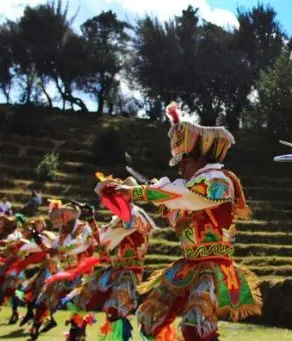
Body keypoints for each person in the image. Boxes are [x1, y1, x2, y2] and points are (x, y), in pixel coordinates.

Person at [110, 103, 262, 341]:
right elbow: (180, 212)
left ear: (201, 158)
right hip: (187, 265)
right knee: (149, 318)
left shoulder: (219, 180)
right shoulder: (187, 189)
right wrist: (160, 199)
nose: (181, 169)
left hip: (212, 267)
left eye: (185, 163)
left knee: (195, 325)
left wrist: (143, 192)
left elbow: (189, 196)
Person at [62, 177, 156, 341]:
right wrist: (91, 220)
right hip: (113, 270)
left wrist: (90, 237)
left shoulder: (134, 215)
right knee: (82, 301)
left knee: (115, 311)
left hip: (129, 272)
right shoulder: (119, 217)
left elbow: (104, 241)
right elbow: (100, 240)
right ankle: (77, 337)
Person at [29, 200, 96, 340]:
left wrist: (59, 251)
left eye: (63, 214)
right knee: (44, 297)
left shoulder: (83, 228)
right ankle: (36, 326)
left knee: (77, 305)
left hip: (81, 273)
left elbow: (78, 243)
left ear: (73, 214)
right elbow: (51, 253)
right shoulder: (62, 233)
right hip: (65, 272)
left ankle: (78, 335)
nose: (59, 217)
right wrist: (40, 242)